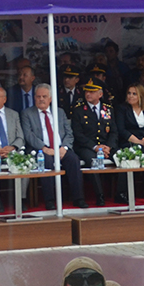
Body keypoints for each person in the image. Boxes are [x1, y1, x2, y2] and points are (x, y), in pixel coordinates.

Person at [22, 83, 86, 211]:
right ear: (34, 97)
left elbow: (69, 133)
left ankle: (78, 198)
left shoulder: (59, 112)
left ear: (50, 98)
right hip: (41, 149)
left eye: (44, 96)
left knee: (73, 160)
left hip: (60, 148)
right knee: (47, 161)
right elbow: (29, 135)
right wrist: (44, 148)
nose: (41, 99)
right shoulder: (27, 113)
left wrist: (65, 148)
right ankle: (50, 200)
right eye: (38, 96)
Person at [72, 80, 117, 204]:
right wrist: (95, 147)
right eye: (87, 91)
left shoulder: (108, 109)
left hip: (106, 146)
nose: (88, 94)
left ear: (100, 94)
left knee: (122, 158)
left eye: (92, 92)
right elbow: (78, 134)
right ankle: (100, 195)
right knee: (93, 161)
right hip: (87, 147)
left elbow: (114, 131)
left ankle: (121, 193)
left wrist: (108, 147)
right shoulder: (79, 110)